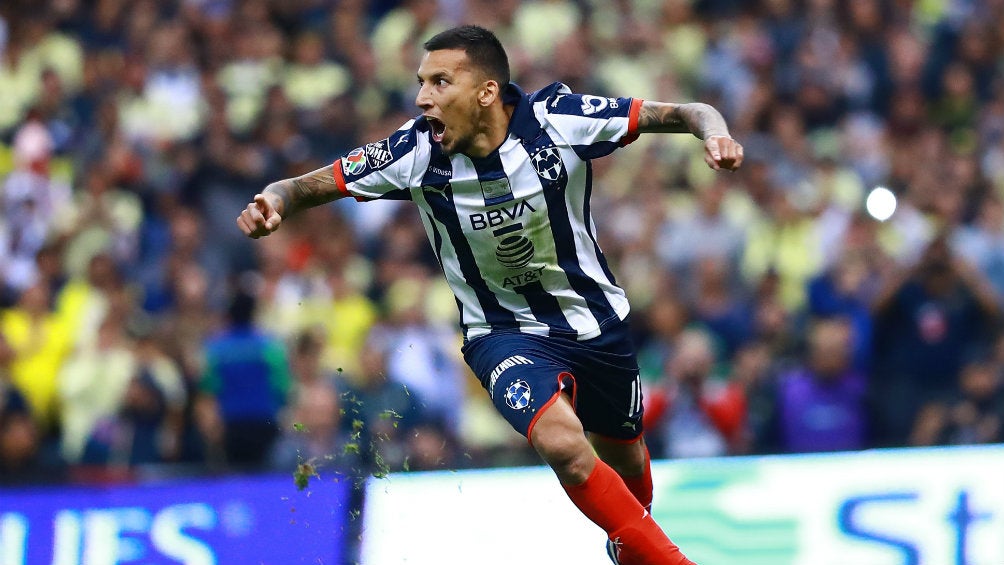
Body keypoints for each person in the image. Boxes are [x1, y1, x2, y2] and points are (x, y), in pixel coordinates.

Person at [237, 25, 742, 565]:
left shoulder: (559, 120)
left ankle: (633, 549)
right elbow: (308, 184)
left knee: (628, 465)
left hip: (594, 321)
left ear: (485, 92)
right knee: (565, 447)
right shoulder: (414, 150)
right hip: (498, 332)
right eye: (421, 82)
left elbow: (688, 110)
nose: (422, 97)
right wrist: (275, 200)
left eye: (439, 82)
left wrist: (714, 134)